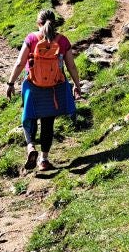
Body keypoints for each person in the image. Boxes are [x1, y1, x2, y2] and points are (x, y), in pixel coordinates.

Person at [6, 9, 82, 171]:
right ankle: (44, 160)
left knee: (29, 118)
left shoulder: (32, 38)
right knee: (48, 123)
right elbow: (71, 66)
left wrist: (10, 83)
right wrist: (77, 84)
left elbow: (20, 63)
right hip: (54, 88)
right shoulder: (62, 41)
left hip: (33, 85)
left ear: (38, 23)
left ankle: (31, 147)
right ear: (53, 23)